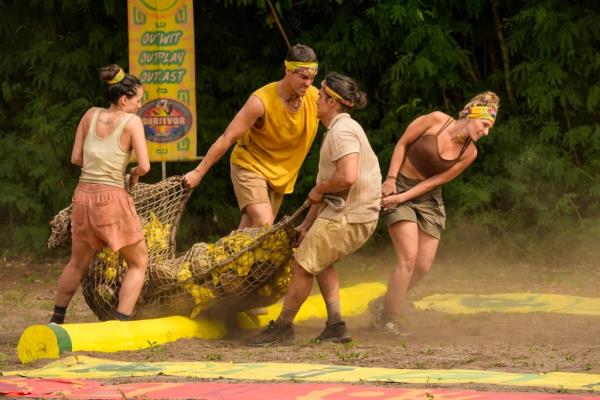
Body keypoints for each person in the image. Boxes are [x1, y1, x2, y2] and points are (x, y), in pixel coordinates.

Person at [246, 72, 381, 346]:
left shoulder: (342, 132)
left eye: (320, 95)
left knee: (303, 264)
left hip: (349, 216)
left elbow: (347, 177)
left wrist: (319, 190)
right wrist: (306, 226)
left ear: (332, 101)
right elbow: (328, 192)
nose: (315, 99)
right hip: (352, 213)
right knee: (321, 260)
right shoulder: (342, 128)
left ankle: (282, 327)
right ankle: (335, 325)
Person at [373, 91, 500, 335]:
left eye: (489, 128)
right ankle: (388, 319)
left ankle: (384, 303)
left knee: (422, 265)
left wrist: (402, 198)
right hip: (400, 183)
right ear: (473, 114)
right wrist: (391, 181)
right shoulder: (435, 120)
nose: (486, 132)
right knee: (408, 258)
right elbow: (402, 143)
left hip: (427, 197)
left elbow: (434, 182)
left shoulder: (469, 153)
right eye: (485, 124)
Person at [50, 64, 150, 324]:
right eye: (138, 100)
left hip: (83, 196)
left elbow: (75, 158)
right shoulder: (132, 122)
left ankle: (56, 319)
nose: (140, 105)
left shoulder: (89, 115)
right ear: (124, 99)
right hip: (112, 199)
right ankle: (120, 322)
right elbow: (145, 165)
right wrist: (134, 174)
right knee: (139, 262)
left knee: (77, 263)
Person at [182, 44, 320, 229]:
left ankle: (225, 258)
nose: (308, 83)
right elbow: (227, 137)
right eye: (303, 77)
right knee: (264, 223)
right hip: (250, 165)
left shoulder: (315, 97)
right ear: (288, 70)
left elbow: (337, 117)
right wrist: (198, 172)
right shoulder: (261, 101)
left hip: (280, 176)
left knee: (250, 237)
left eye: (312, 78)